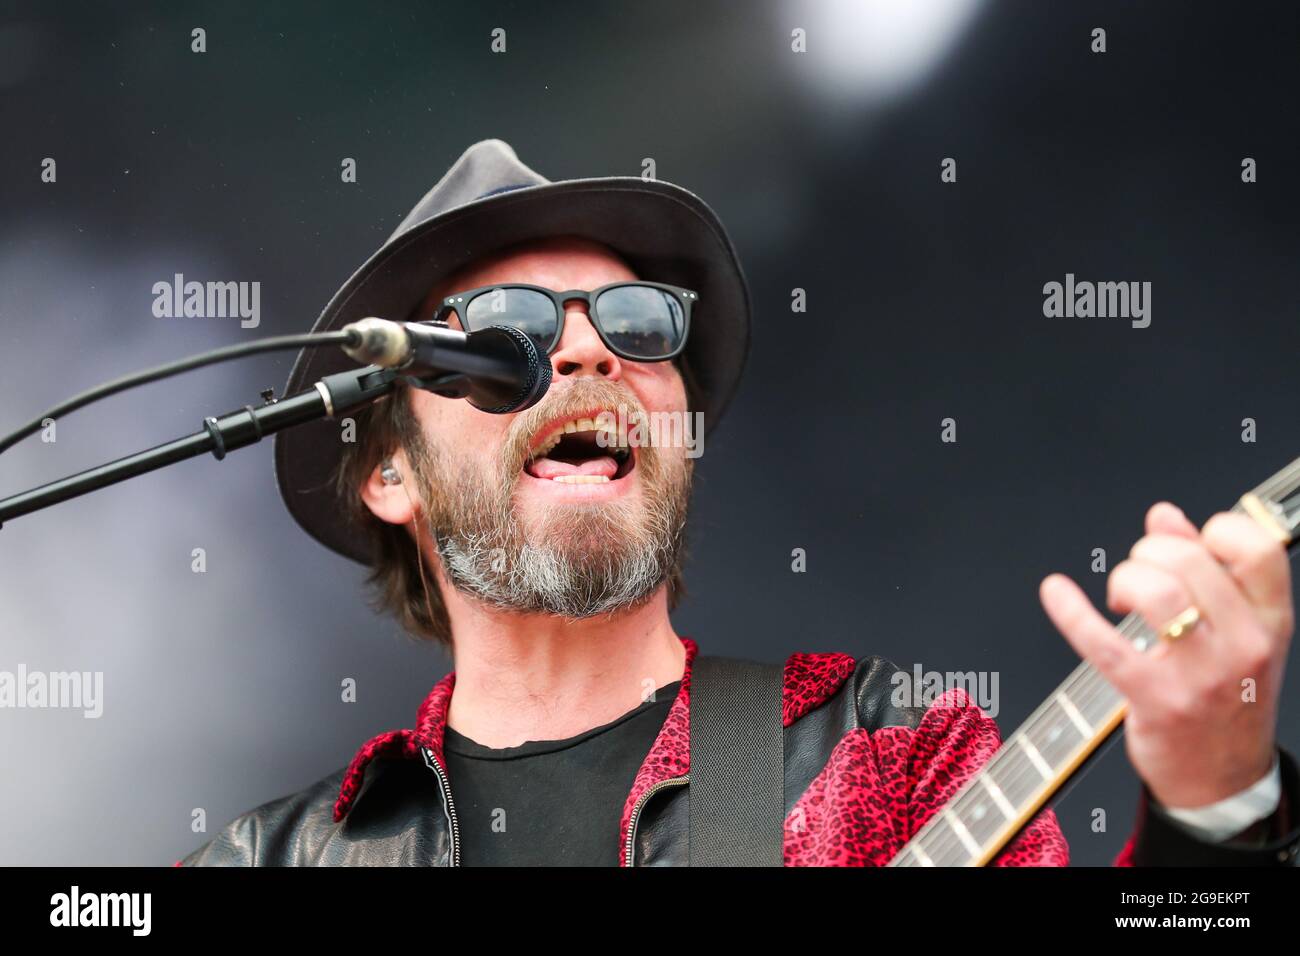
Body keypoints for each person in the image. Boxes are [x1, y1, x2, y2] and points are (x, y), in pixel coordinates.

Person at [179, 140, 1299, 866]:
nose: (583, 351)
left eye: (637, 325)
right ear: (392, 472)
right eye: (505, 335)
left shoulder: (888, 759)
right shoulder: (265, 855)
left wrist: (1217, 803)